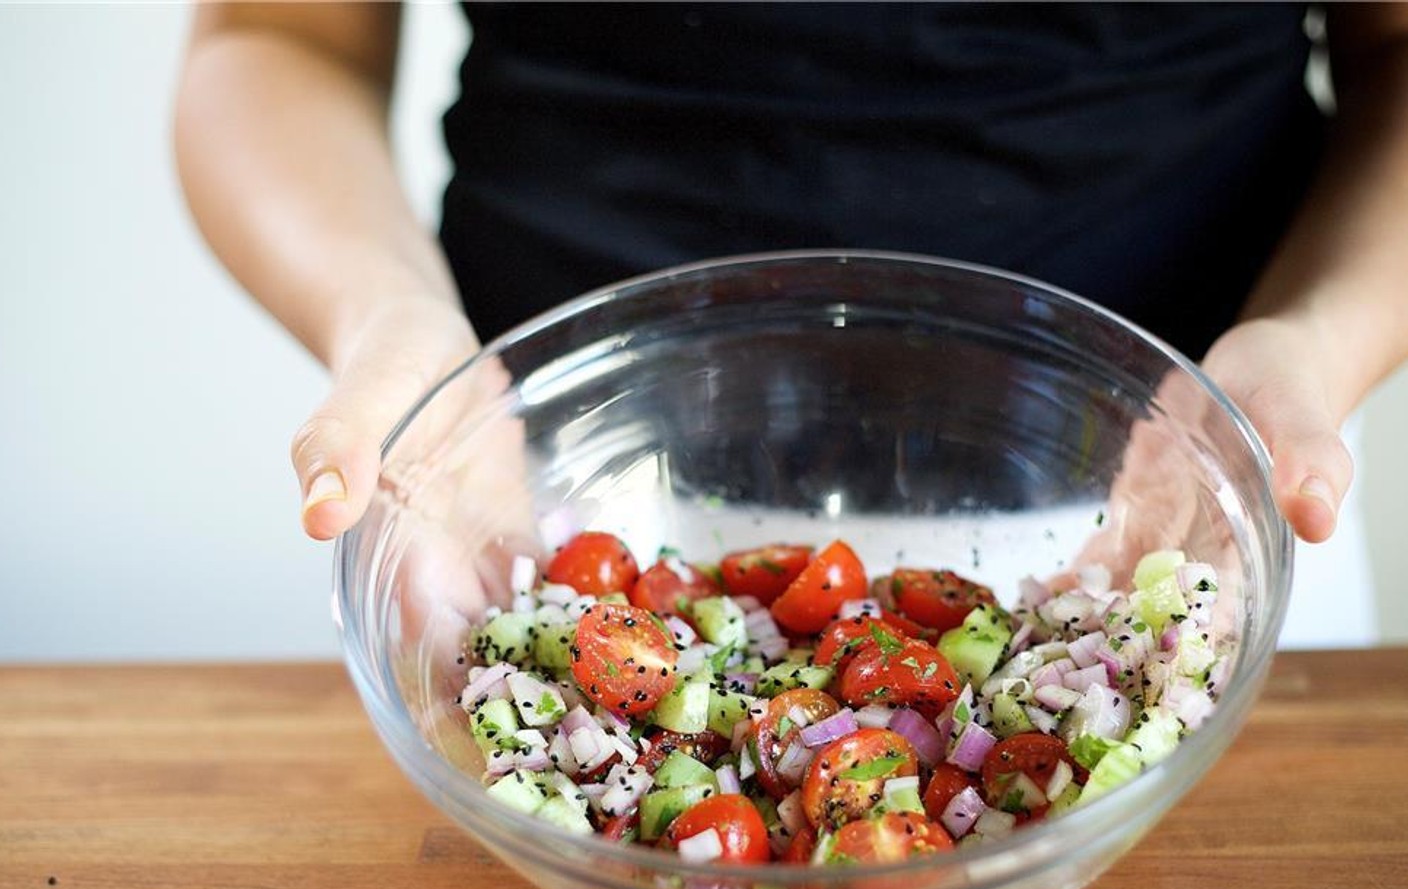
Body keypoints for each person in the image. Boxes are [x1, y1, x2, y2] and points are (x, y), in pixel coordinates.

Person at [174, 2, 1408, 568]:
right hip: (518, 506)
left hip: (1183, 521)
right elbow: (278, 34)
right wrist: (391, 329)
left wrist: (1309, 346)